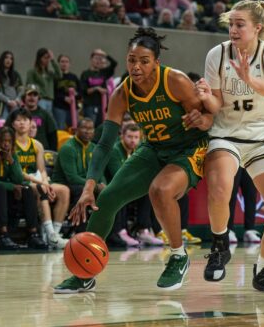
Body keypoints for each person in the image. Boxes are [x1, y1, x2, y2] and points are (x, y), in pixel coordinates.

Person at [54, 27, 212, 294]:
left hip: (188, 148)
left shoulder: (175, 80)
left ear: (156, 63)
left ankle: (178, 256)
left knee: (160, 190)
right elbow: (104, 143)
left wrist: (202, 120)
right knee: (105, 201)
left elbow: (208, 119)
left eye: (144, 60)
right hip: (153, 149)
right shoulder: (122, 92)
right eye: (131, 59)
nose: (136, 66)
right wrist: (90, 185)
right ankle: (85, 274)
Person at [194, 0, 264, 293]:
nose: (233, 30)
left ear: (257, 28)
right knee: (220, 187)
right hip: (226, 133)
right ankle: (220, 244)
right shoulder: (217, 53)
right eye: (231, 24)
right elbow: (217, 103)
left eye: (240, 24)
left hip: (262, 134)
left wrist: (249, 77)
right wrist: (203, 95)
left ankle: (263, 270)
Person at [0, 126, 46, 250]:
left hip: (6, 189)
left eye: (9, 141)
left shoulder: (11, 153)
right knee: (1, 188)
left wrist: (11, 161)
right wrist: (12, 187)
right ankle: (3, 235)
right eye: (3, 141)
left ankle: (33, 234)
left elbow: (18, 179)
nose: (6, 144)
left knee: (28, 190)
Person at [8, 108, 69, 249]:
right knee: (41, 189)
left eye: (25, 120)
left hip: (36, 180)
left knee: (64, 190)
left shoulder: (37, 145)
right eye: (18, 120)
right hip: (19, 180)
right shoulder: (10, 144)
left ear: (31, 124)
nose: (22, 123)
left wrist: (47, 183)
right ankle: (50, 233)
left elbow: (41, 169)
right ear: (13, 124)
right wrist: (43, 184)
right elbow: (17, 172)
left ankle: (54, 235)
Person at [80, 49, 117, 126]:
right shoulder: (85, 74)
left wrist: (105, 55)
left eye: (100, 59)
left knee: (101, 127)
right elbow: (84, 90)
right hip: (89, 105)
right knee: (90, 126)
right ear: (91, 60)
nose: (98, 61)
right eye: (96, 58)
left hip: (102, 106)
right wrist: (96, 88)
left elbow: (114, 63)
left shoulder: (103, 72)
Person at [0, 51, 24, 119]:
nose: (9, 60)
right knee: (3, 125)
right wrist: (7, 100)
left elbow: (21, 89)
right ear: (2, 59)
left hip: (15, 104)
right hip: (2, 105)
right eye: (6, 58)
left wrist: (17, 99)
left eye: (11, 59)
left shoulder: (16, 74)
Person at [21, 84, 57, 151]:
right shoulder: (17, 113)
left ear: (38, 98)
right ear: (24, 97)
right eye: (29, 95)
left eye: (35, 95)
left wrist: (52, 152)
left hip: (42, 150)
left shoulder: (45, 114)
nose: (32, 97)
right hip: (21, 151)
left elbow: (52, 135)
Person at [26, 48, 61, 114]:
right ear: (39, 58)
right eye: (45, 58)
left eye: (48, 58)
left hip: (50, 100)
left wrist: (53, 60)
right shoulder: (32, 72)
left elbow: (59, 75)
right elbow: (30, 86)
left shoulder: (49, 73)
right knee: (39, 119)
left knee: (47, 121)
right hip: (40, 99)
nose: (47, 60)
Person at [53, 54, 80, 130]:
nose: (64, 64)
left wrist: (76, 94)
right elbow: (53, 93)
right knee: (60, 128)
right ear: (58, 63)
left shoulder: (74, 77)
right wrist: (64, 98)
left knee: (74, 128)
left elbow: (80, 92)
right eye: (62, 61)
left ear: (69, 64)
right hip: (59, 107)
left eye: (66, 62)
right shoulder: (55, 77)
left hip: (73, 107)